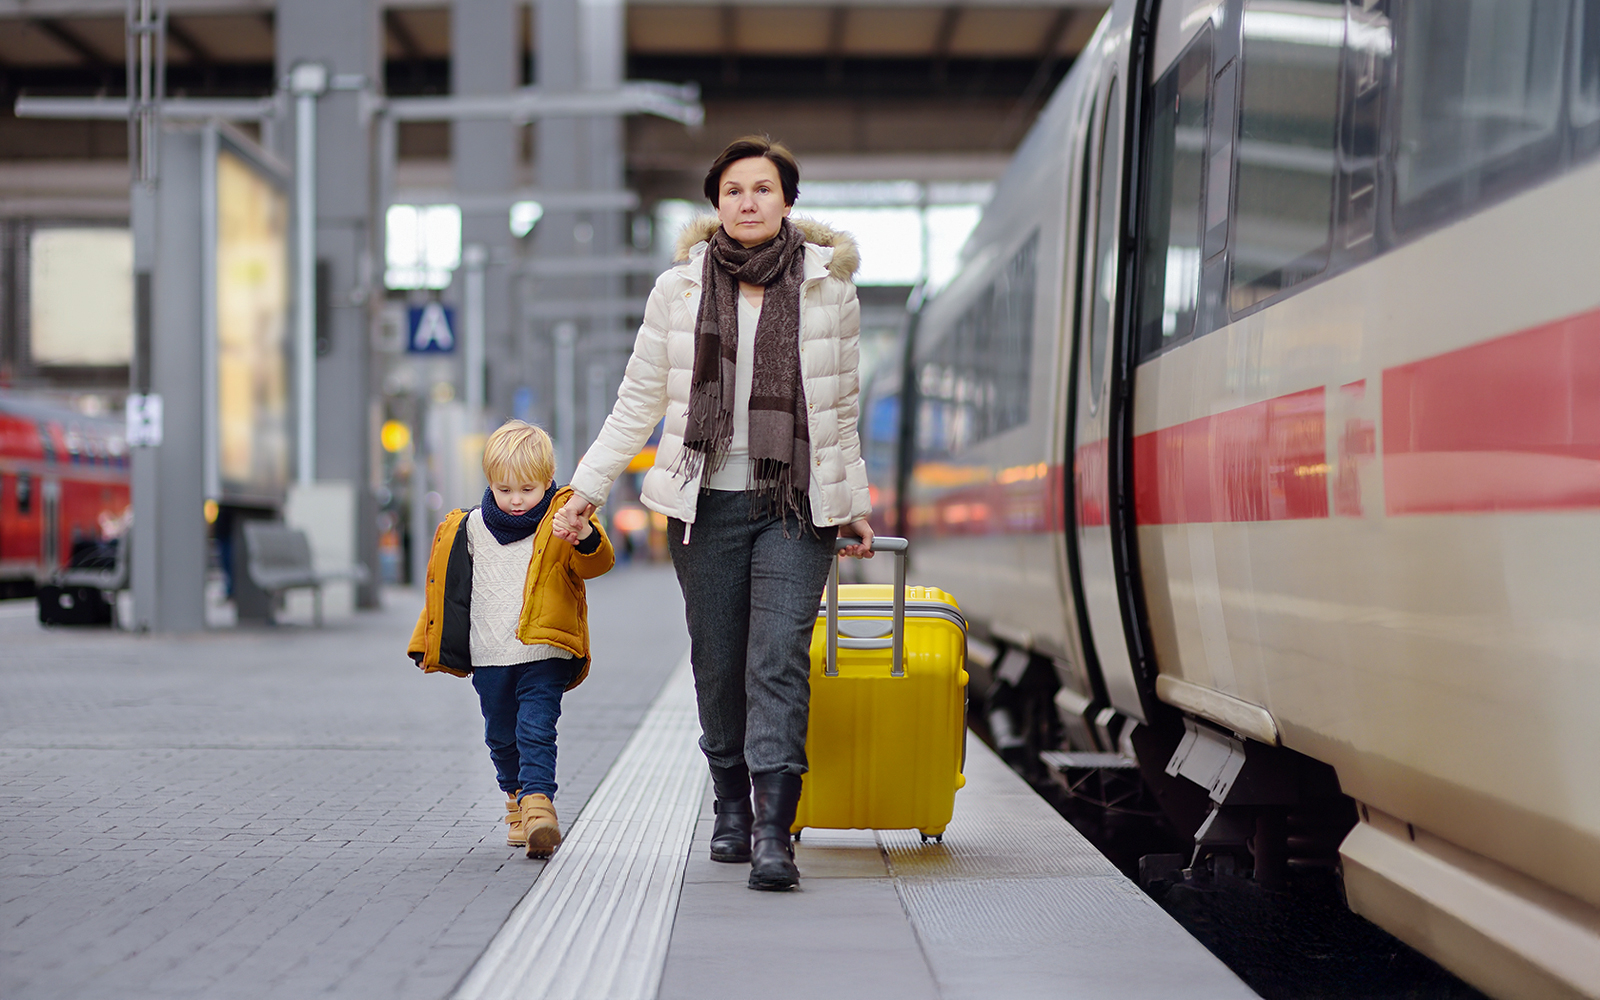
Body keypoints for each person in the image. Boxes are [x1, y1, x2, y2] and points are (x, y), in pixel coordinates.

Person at [552, 135, 873, 891]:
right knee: (718, 661)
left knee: (777, 660)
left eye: (763, 189)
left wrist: (853, 503)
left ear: (788, 201)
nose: (749, 201)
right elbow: (639, 401)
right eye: (734, 191)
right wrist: (585, 489)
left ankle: (773, 831)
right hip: (704, 505)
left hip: (796, 503)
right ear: (715, 204)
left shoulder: (832, 288)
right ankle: (729, 802)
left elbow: (840, 409)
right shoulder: (679, 290)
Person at [408, 419, 614, 859]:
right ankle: (518, 801)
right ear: (490, 484)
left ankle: (540, 807)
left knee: (536, 728)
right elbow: (447, 587)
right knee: (500, 735)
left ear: (546, 482)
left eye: (527, 488)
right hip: (490, 654)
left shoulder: (562, 521)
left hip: (545, 650)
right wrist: (432, 638)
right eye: (505, 489)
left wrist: (586, 537)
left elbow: (598, 563)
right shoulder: (469, 528)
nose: (517, 499)